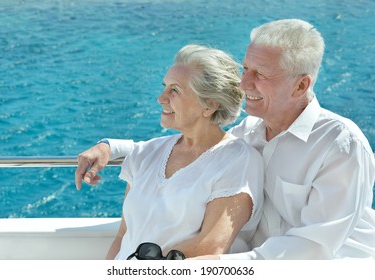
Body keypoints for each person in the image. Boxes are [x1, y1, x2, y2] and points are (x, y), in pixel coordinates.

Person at [75, 19, 375, 259]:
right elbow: (182, 148)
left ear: (301, 86)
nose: (244, 84)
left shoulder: (340, 145)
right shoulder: (249, 133)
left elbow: (314, 248)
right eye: (245, 68)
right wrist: (109, 147)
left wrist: (212, 264)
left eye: (260, 74)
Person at [88, 44, 264, 259]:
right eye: (164, 87)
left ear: (209, 105)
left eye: (175, 90)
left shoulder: (237, 160)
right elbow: (124, 235)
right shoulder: (146, 154)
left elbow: (210, 246)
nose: (161, 98)